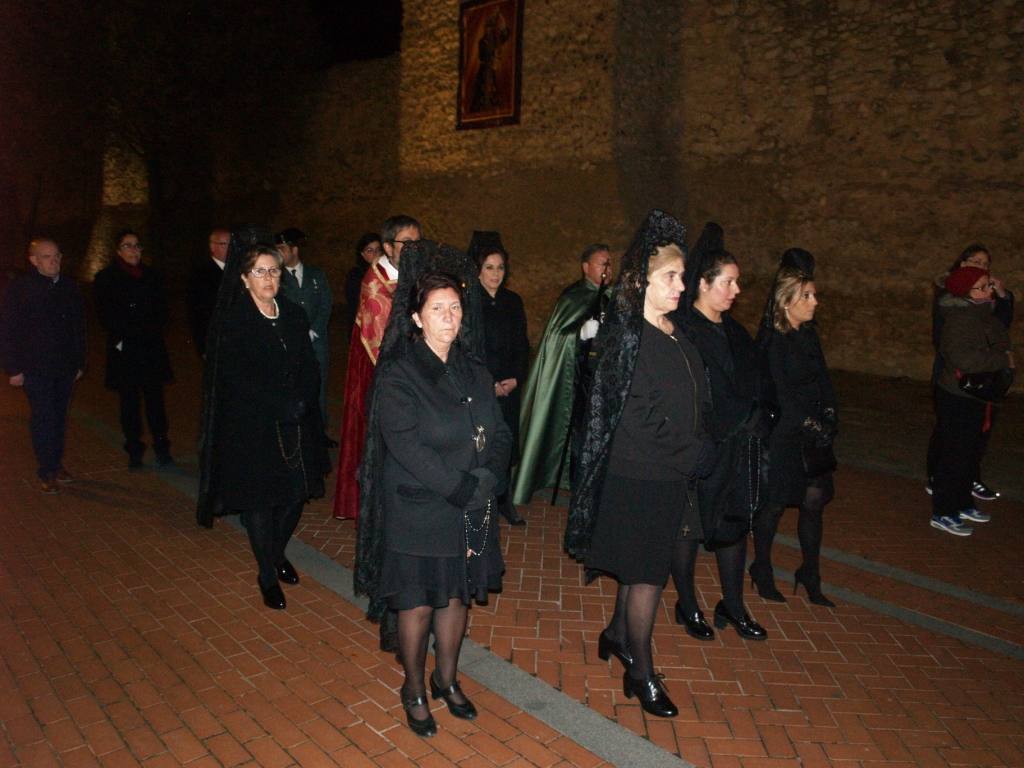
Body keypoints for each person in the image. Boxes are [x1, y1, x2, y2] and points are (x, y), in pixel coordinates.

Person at [356, 266, 511, 737]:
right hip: (421, 507)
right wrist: (464, 487)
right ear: (418, 318)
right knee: (419, 603)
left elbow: (501, 432)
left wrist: (489, 477)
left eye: (455, 308)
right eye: (437, 309)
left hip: (471, 502)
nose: (449, 317)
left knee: (456, 595)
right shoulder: (401, 375)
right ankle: (414, 688)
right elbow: (407, 447)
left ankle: (446, 678)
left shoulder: (474, 369)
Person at [567, 210, 709, 719]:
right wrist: (696, 452)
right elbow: (638, 418)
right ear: (643, 283)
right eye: (670, 277)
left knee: (637, 565)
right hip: (642, 472)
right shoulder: (629, 340)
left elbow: (691, 394)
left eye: (682, 276)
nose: (681, 285)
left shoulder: (673, 330)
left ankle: (614, 633)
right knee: (648, 574)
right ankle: (640, 673)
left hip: (669, 471)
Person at [196, 233, 328, 609]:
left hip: (297, 419)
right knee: (260, 501)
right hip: (253, 425)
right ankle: (267, 573)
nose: (268, 278)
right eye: (259, 272)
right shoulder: (234, 322)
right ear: (244, 278)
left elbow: (309, 364)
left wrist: (302, 399)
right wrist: (278, 405)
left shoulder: (293, 313)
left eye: (273, 270)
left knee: (295, 494)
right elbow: (237, 378)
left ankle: (276, 552)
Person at [672, 223, 767, 641]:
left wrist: (760, 414)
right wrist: (733, 417)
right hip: (701, 447)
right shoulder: (684, 332)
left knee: (732, 525)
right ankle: (687, 603)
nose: (736, 291)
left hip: (736, 448)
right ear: (704, 285)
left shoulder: (735, 332)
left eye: (737, 282)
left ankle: (733, 602)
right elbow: (695, 394)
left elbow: (758, 380)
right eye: (728, 282)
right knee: (688, 528)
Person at [750, 264, 838, 607]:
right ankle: (762, 567)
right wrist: (811, 424)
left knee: (814, 502)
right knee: (773, 505)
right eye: (807, 295)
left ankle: (810, 573)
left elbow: (823, 380)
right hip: (785, 434)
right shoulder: (774, 341)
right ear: (787, 302)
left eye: (814, 294)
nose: (815, 301)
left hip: (812, 435)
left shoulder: (809, 335)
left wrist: (829, 414)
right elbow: (781, 393)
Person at [333, 214, 421, 521]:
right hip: (379, 371)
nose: (413, 248)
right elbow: (382, 342)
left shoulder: (411, 273)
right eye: (406, 243)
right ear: (387, 246)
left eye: (416, 242)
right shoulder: (375, 283)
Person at [511, 243, 612, 505]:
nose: (606, 269)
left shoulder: (613, 297)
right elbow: (556, 337)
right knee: (577, 434)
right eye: (602, 263)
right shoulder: (573, 296)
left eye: (609, 263)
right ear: (586, 267)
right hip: (578, 380)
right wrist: (579, 334)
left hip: (603, 380)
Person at [929, 266, 1013, 536]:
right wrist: (1000, 360)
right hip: (958, 395)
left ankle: (963, 501)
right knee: (954, 455)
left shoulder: (984, 314)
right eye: (983, 286)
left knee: (970, 454)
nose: (990, 290)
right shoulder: (959, 319)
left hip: (979, 395)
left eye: (989, 285)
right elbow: (964, 359)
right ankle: (943, 510)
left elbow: (1002, 341)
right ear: (967, 292)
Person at [0, 237, 85, 493]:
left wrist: (80, 362)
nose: (54, 261)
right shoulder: (20, 289)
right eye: (47, 257)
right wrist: (12, 368)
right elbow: (8, 329)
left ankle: (55, 463)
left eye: (57, 256)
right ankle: (46, 469)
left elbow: (78, 328)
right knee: (44, 417)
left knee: (59, 417)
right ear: (34, 260)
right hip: (35, 367)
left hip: (64, 366)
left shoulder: (69, 287)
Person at [93, 229, 174, 468]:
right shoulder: (106, 278)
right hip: (125, 348)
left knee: (155, 402)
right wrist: (130, 331)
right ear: (118, 250)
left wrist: (149, 328)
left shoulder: (153, 276)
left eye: (137, 246)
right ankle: (134, 450)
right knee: (129, 403)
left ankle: (162, 446)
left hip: (150, 348)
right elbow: (106, 316)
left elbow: (163, 311)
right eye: (128, 246)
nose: (134, 250)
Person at [469, 230, 529, 526]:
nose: (496, 273)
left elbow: (522, 345)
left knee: (506, 442)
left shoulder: (513, 301)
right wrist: (488, 383)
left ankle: (504, 499)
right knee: (483, 442)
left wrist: (516, 378)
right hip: (482, 387)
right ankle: (482, 498)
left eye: (500, 267)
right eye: (489, 267)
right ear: (478, 270)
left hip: (509, 385)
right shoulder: (469, 302)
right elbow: (469, 349)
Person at [275, 227, 333, 436]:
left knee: (318, 386)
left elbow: (326, 304)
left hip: (316, 342)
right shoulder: (277, 278)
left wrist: (315, 330)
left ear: (294, 250)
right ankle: (298, 433)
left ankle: (320, 433)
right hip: (291, 343)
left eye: (282, 248)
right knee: (294, 386)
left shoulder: (316, 274)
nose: (278, 253)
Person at [186, 228, 229, 358]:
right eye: (224, 244)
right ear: (212, 246)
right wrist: (203, 347)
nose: (229, 248)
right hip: (216, 341)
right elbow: (197, 313)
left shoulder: (238, 270)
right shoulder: (200, 274)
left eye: (231, 244)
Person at [345, 233, 383, 332]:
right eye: (370, 250)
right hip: (364, 324)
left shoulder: (387, 272)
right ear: (362, 254)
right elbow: (355, 303)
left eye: (378, 249)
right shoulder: (356, 275)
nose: (375, 253)